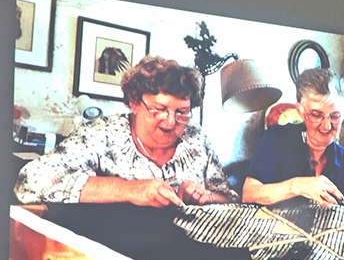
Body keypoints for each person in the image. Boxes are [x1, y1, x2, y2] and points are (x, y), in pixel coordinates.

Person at [15, 56, 236, 206]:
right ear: (134, 102)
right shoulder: (102, 134)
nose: (170, 123)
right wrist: (130, 190)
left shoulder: (195, 138)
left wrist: (206, 196)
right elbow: (32, 179)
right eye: (159, 110)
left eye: (182, 112)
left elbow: (231, 200)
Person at [242, 68, 344, 208]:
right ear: (301, 112)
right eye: (316, 114)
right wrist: (297, 186)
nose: (327, 126)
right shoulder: (277, 138)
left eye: (335, 116)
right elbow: (249, 193)